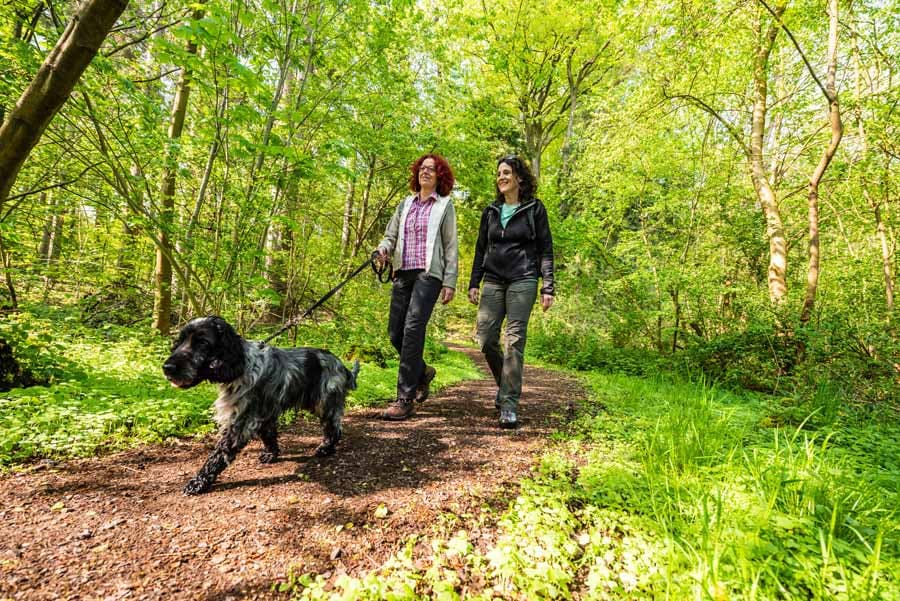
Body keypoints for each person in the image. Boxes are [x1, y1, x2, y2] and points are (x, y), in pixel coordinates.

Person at [468, 155, 555, 429]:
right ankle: (504, 384)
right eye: (499, 174)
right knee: (485, 338)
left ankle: (508, 405)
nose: (501, 177)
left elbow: (545, 249)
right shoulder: (491, 211)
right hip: (493, 280)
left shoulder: (534, 209)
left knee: (514, 341)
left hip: (523, 279)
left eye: (506, 173)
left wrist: (548, 286)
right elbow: (481, 248)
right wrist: (474, 282)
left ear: (519, 178)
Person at [375, 153, 458, 421]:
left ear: (439, 176)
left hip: (428, 274)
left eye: (431, 170)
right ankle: (423, 372)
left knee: (413, 328)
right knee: (394, 333)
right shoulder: (405, 203)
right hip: (402, 272)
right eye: (422, 168)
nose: (425, 172)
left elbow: (450, 246)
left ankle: (404, 398)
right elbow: (390, 235)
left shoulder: (444, 206)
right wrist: (382, 250)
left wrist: (450, 281)